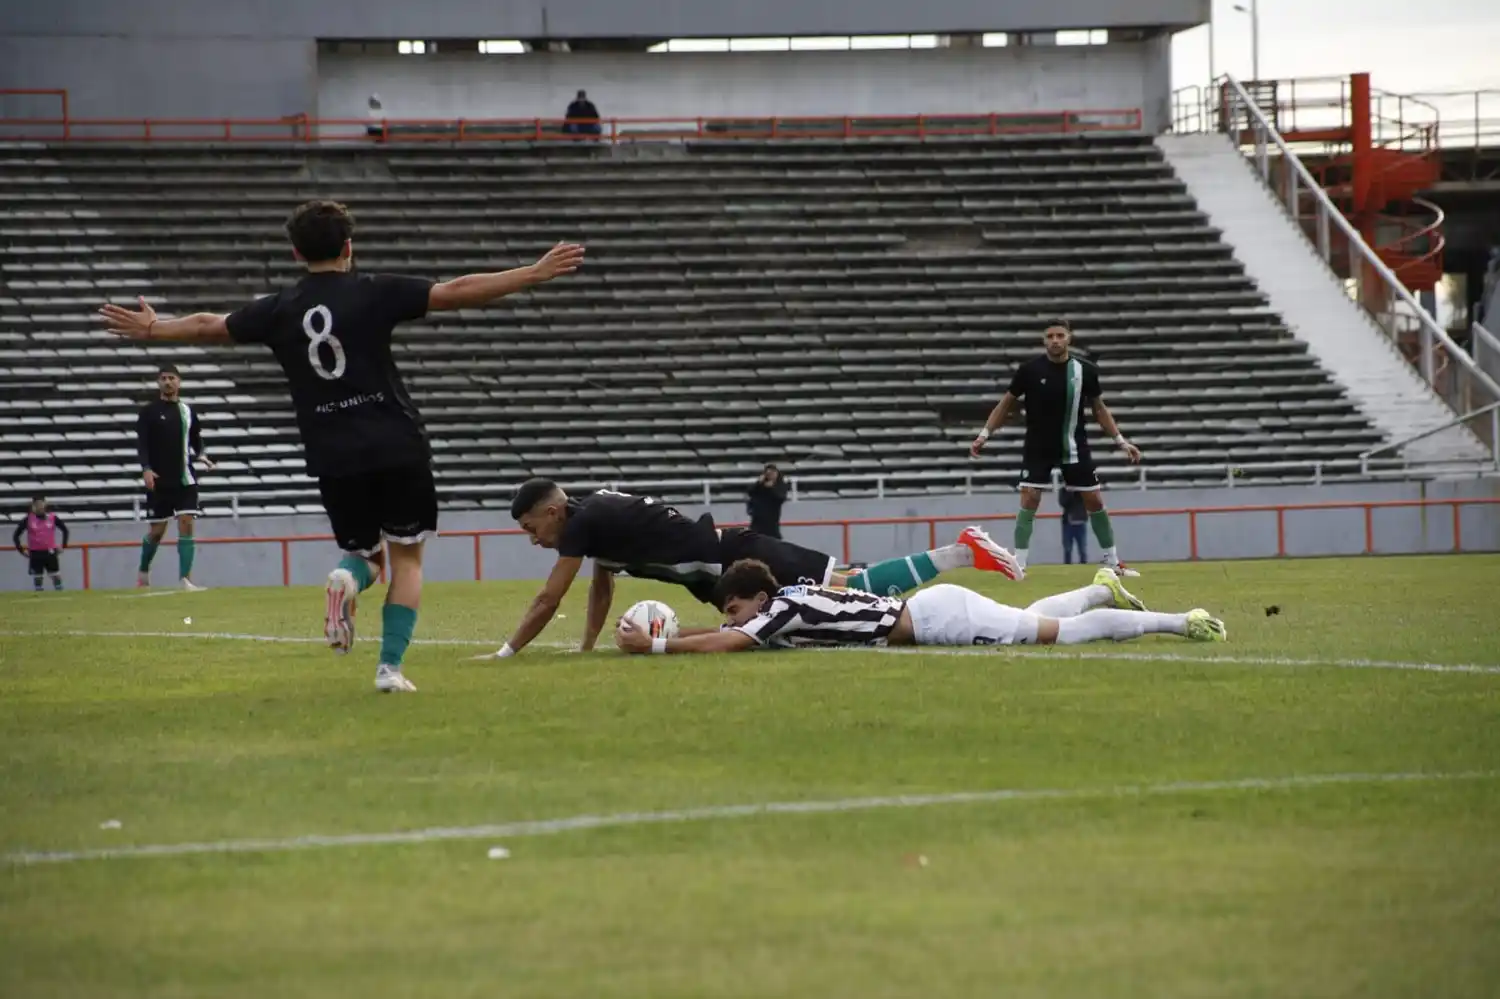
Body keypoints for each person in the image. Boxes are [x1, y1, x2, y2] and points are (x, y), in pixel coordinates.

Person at [99, 200, 585, 692]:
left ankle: (347, 579)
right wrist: (532, 272)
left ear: (295, 253)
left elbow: (209, 324)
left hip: (331, 451)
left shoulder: (278, 308)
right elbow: (457, 292)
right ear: (349, 247)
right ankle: (388, 669)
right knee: (407, 560)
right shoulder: (373, 291)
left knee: (364, 556)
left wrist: (154, 328)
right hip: (396, 444)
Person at [491, 480, 1020, 658]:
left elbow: (548, 598)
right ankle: (959, 552)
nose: (533, 537)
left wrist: (507, 651)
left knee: (853, 589)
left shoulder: (583, 524)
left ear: (553, 510)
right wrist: (586, 648)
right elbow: (600, 584)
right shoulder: (594, 516)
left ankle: (959, 552)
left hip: (734, 561)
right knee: (850, 585)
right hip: (728, 556)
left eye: (531, 526)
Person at [616, 559, 1224, 655]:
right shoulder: (784, 602)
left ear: (759, 597)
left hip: (937, 619)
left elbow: (736, 641)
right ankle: (1099, 587)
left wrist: (658, 645)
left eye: (733, 607)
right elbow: (728, 634)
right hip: (930, 611)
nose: (731, 618)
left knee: (1060, 636)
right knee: (1038, 619)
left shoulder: (775, 611)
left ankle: (1180, 620)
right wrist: (676, 634)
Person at [970, 318, 1142, 577]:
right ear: (1044, 340)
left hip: (1074, 445)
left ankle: (1113, 562)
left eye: (1060, 335)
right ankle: (1019, 564)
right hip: (1038, 448)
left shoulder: (1086, 370)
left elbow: (1099, 409)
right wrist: (984, 434)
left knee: (1094, 500)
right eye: (1050, 336)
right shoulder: (1029, 371)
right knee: (1030, 499)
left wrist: (1120, 440)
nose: (1055, 340)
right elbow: (1006, 404)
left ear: (1069, 338)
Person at [136, 362, 214, 590]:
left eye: (172, 377)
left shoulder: (187, 411)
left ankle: (185, 579)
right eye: (164, 378)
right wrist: (146, 468)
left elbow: (196, 438)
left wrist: (202, 455)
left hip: (185, 479)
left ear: (179, 382)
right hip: (160, 481)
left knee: (187, 523)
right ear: (158, 382)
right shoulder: (149, 412)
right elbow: (142, 444)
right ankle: (143, 570)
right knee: (157, 532)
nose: (168, 381)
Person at [13, 495, 69, 592]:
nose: (39, 506)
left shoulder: (52, 517)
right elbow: (16, 535)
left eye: (41, 503)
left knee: (55, 575)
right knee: (38, 577)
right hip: (35, 552)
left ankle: (60, 592)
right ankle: (39, 593)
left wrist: (63, 546)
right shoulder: (28, 519)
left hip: (50, 551)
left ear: (45, 504)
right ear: (33, 505)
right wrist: (21, 550)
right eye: (37, 504)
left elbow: (65, 530)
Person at [746, 463, 789, 538]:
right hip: (757, 521)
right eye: (768, 474)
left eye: (773, 473)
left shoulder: (780, 485)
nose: (771, 476)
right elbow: (750, 492)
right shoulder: (760, 485)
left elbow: (780, 498)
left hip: (772, 521)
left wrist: (771, 488)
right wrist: (758, 483)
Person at [1059, 487, 1089, 564]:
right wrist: (1070, 492)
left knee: (1082, 549)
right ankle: (1067, 565)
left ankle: (1083, 566)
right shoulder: (1064, 490)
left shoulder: (1082, 490)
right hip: (1068, 523)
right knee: (1067, 549)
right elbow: (1062, 503)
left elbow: (1087, 500)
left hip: (1081, 522)